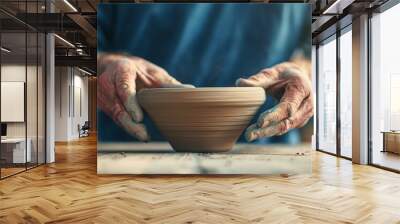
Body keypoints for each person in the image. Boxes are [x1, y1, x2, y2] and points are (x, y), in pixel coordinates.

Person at [97, 4, 312, 144]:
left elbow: (311, 47)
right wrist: (106, 64)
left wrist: (304, 72)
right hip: (133, 148)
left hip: (266, 149)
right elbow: (89, 45)